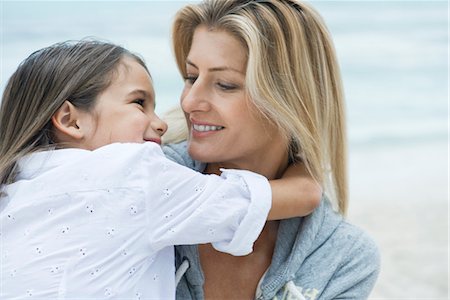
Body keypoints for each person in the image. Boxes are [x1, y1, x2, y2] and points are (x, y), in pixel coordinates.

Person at [0, 40, 322, 299]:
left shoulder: (13, 189)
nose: (162, 123)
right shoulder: (137, 176)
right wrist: (305, 165)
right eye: (139, 103)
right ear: (71, 120)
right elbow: (287, 198)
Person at [163, 0, 381, 299]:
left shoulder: (343, 258)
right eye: (191, 77)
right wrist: (297, 192)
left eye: (225, 84)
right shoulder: (150, 174)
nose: (189, 102)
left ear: (291, 101)